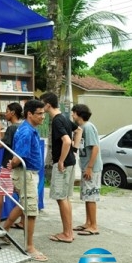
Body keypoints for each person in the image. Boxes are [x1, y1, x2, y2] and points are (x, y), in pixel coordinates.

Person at [2, 99, 48, 262]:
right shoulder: (26, 131)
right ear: (30, 114)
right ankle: (29, 247)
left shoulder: (30, 129)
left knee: (23, 205)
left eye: (44, 113)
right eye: (40, 113)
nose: (43, 116)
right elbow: (19, 156)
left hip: (28, 173)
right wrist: (12, 163)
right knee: (31, 211)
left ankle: (4, 229)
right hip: (25, 173)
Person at [40, 92, 83, 244]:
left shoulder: (58, 120)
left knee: (60, 197)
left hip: (64, 164)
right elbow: (78, 130)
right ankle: (68, 232)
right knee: (65, 198)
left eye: (42, 104)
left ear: (48, 105)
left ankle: (67, 233)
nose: (41, 108)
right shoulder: (64, 117)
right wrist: (75, 150)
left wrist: (61, 160)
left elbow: (66, 141)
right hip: (70, 162)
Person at [71, 104, 102, 236]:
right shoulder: (81, 128)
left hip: (92, 168)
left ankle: (94, 225)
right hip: (85, 167)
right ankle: (88, 223)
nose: (72, 115)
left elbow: (95, 147)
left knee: (91, 196)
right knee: (86, 195)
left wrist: (89, 167)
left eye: (73, 113)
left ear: (78, 114)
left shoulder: (88, 127)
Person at [0, 102, 24, 228]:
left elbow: (2, 145)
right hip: (18, 165)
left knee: (0, 193)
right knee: (22, 194)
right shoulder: (22, 126)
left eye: (7, 111)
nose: (5, 114)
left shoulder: (11, 128)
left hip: (8, 164)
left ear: (13, 113)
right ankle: (22, 221)